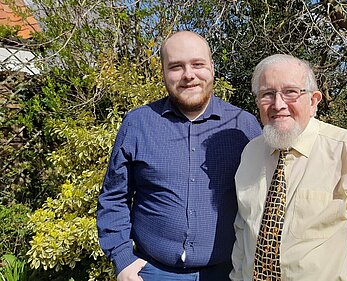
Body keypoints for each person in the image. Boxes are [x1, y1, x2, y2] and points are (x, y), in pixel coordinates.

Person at [96, 31, 262, 281]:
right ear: (162, 72)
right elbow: (114, 196)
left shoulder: (244, 128)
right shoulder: (138, 124)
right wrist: (122, 260)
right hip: (151, 272)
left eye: (198, 64)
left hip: (228, 272)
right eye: (176, 67)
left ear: (212, 68)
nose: (189, 75)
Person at [230, 54, 347, 281]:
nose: (278, 104)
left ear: (313, 101)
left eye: (291, 92)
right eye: (267, 94)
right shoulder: (250, 153)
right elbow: (243, 231)